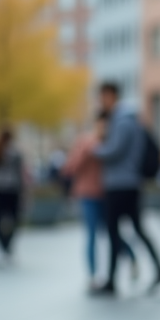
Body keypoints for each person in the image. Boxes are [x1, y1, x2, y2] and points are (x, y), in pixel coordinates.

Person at [90, 81, 160, 295]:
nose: (101, 102)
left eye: (102, 97)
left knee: (115, 231)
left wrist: (94, 147)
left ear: (111, 96)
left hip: (121, 184)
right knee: (135, 229)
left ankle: (112, 281)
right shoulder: (128, 119)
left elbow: (114, 151)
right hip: (127, 184)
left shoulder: (122, 121)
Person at [63, 110, 136, 290]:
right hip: (88, 194)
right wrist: (88, 150)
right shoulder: (86, 142)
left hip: (107, 194)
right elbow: (70, 167)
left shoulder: (112, 143)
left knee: (111, 233)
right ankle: (93, 276)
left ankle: (131, 257)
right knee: (91, 235)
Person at [0, 127, 24, 266]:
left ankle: (2, 246)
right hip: (12, 191)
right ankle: (6, 246)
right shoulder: (15, 154)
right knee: (14, 219)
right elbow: (19, 176)